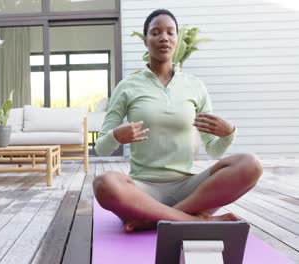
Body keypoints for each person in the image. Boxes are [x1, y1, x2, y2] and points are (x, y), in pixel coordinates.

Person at [93, 9, 263, 232]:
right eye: (156, 32)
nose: (164, 37)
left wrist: (228, 133)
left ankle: (159, 219)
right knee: (103, 184)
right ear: (146, 41)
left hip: (190, 190)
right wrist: (116, 136)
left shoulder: (195, 86)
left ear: (177, 39)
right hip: (143, 191)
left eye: (170, 32)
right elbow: (101, 148)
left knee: (251, 164)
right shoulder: (127, 86)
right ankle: (191, 220)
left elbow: (214, 151)